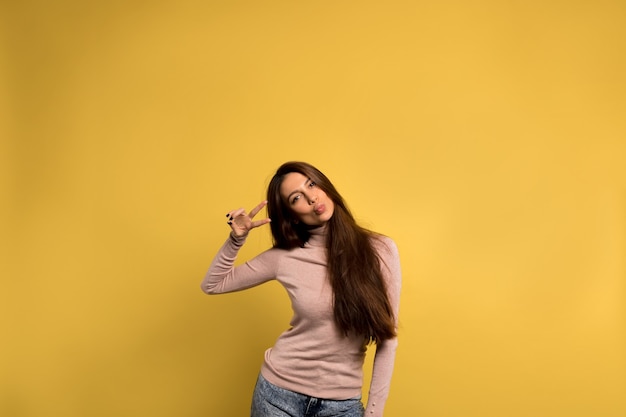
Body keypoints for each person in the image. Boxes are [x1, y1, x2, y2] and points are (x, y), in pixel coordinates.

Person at [201, 161, 401, 417]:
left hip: (341, 404)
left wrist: (374, 413)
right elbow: (213, 284)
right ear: (292, 214)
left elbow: (388, 339)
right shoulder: (284, 257)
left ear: (325, 186)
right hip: (277, 396)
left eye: (312, 184)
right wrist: (236, 239)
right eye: (297, 198)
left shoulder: (380, 250)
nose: (311, 197)